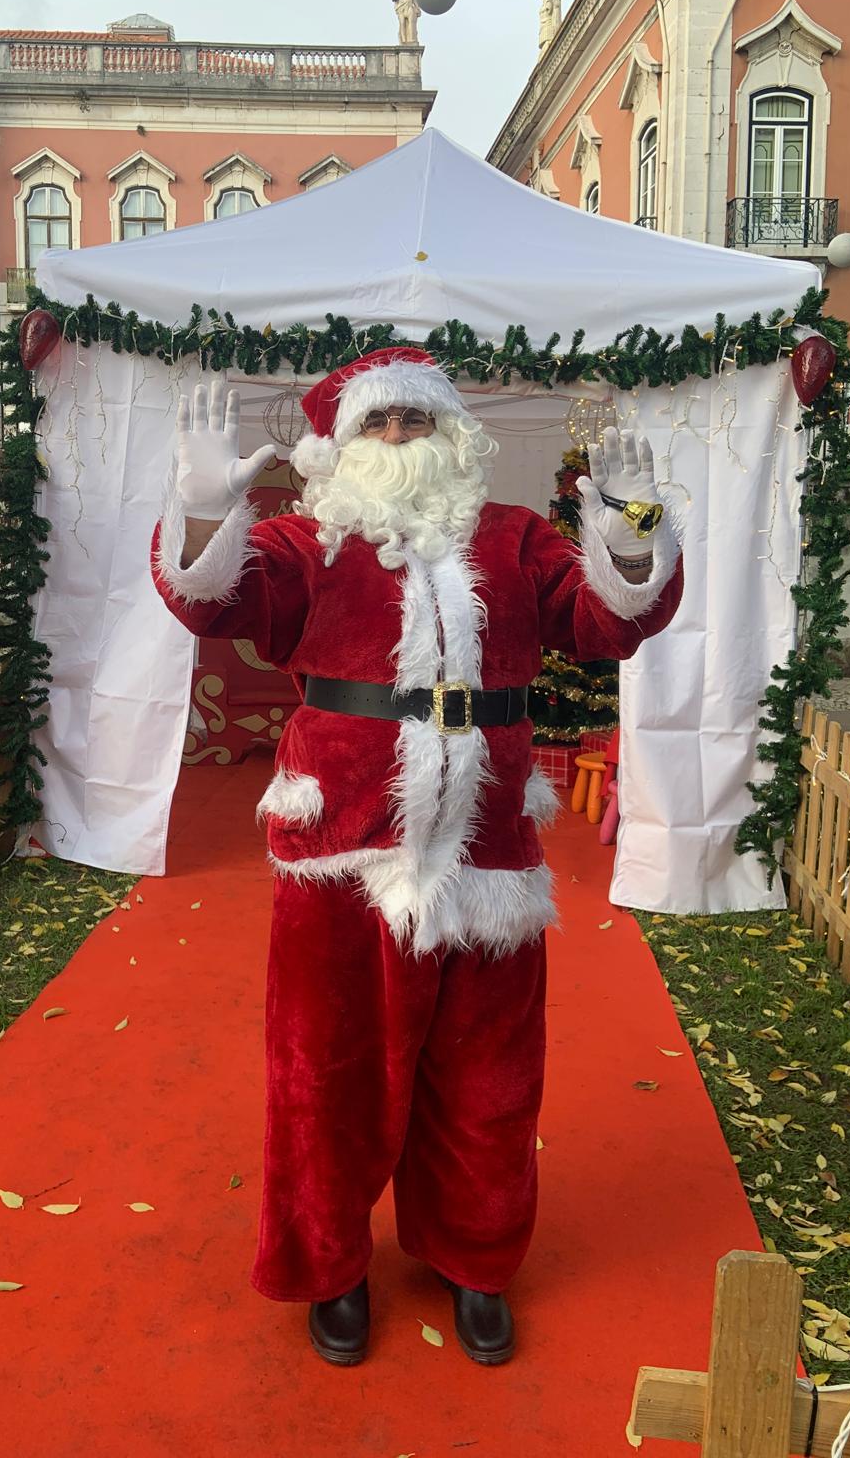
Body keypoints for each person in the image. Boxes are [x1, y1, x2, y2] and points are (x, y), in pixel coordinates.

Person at [151, 347, 683, 1366]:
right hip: (342, 848)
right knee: (325, 1075)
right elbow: (211, 602)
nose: (399, 439)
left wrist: (632, 523)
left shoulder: (517, 537)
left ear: (453, 434)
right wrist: (203, 509)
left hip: (487, 855)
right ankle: (332, 1267)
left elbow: (611, 622)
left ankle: (476, 1258)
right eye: (380, 424)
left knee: (489, 1078)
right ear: (342, 444)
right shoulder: (307, 539)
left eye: (416, 422)